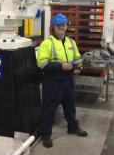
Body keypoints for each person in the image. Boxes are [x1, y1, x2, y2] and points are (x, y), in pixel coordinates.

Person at [37, 13, 88, 148]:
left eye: (64, 25)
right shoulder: (47, 43)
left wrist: (79, 64)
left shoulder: (71, 42)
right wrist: (60, 66)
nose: (62, 28)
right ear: (53, 27)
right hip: (52, 82)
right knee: (49, 109)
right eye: (59, 25)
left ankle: (72, 127)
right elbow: (42, 63)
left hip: (68, 81)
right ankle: (46, 135)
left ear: (66, 26)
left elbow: (77, 57)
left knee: (70, 106)